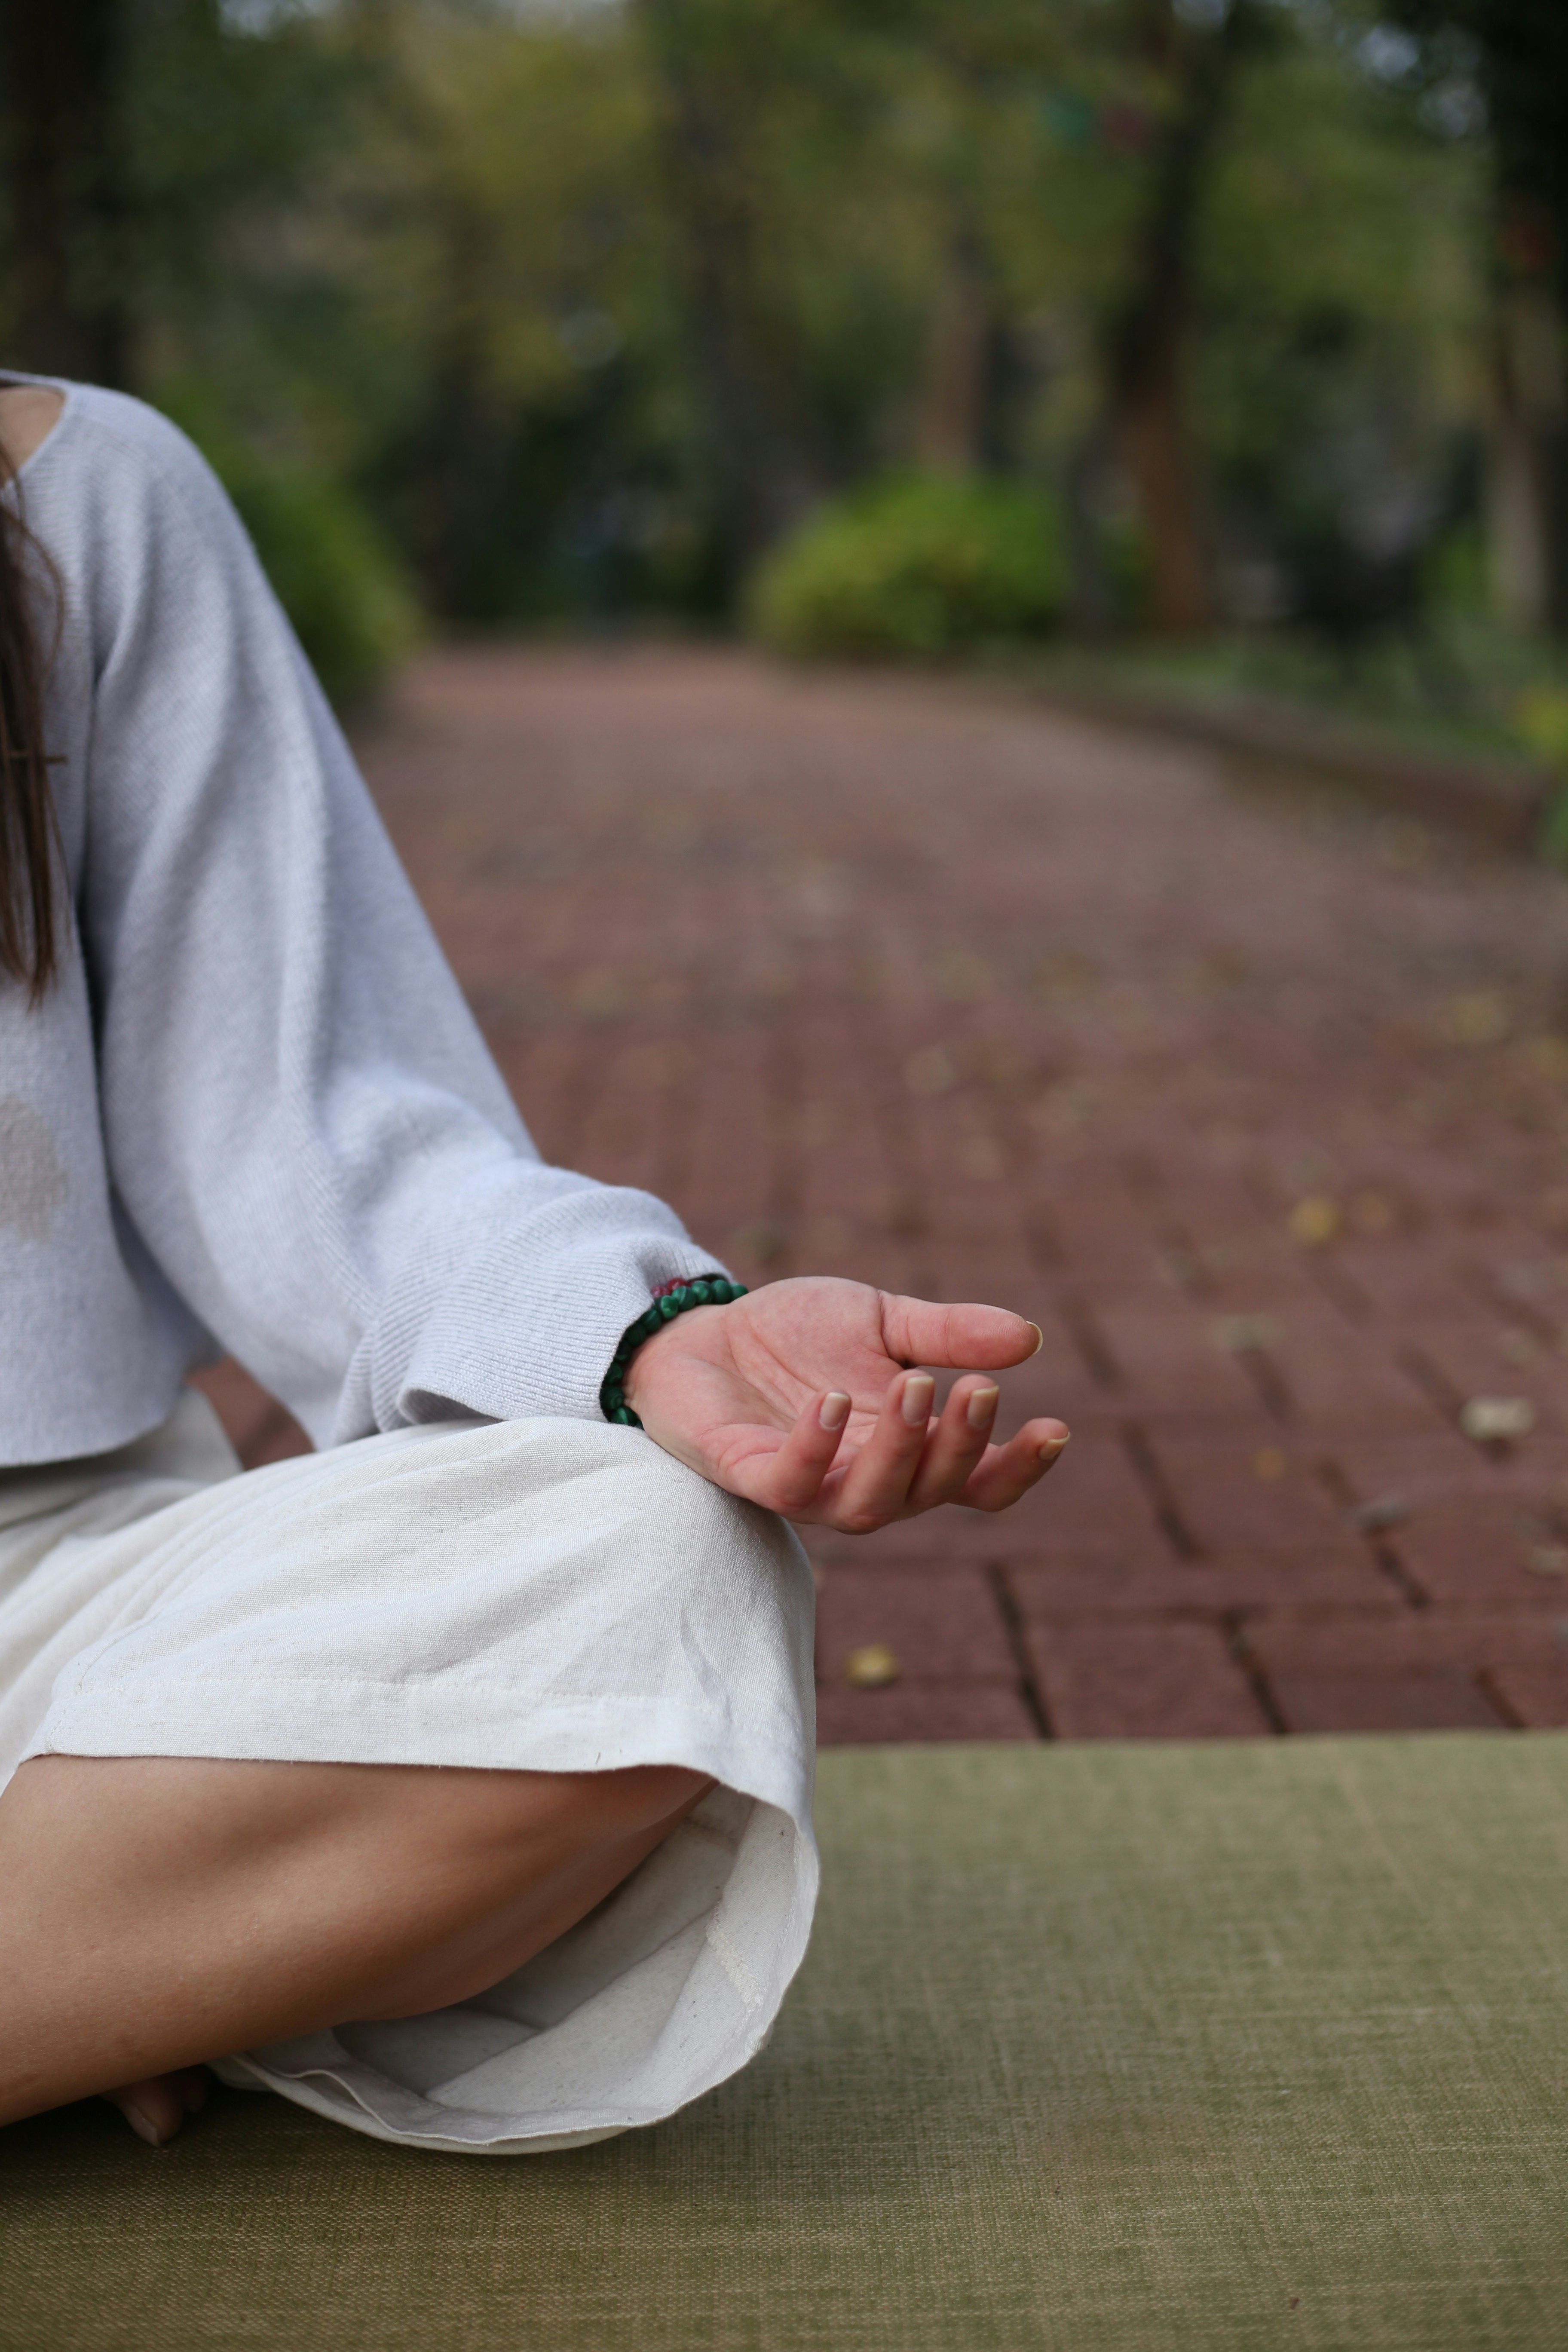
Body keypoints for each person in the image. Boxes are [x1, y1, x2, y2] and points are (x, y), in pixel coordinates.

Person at [0, 374, 1069, 2157]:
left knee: (661, 1565)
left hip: (47, 1582)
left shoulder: (76, 494)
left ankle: (106, 1951)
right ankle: (105, 1969)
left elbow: (305, 1119)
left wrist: (650, 1336)